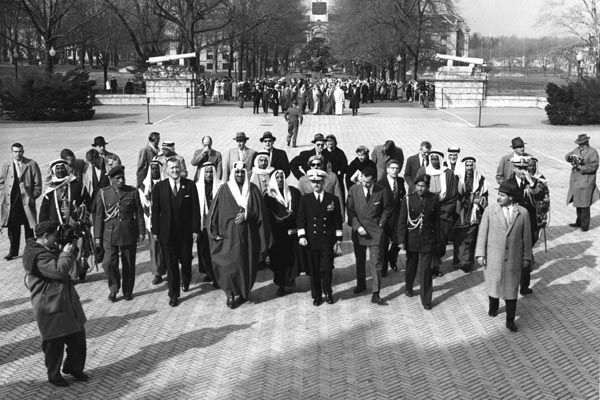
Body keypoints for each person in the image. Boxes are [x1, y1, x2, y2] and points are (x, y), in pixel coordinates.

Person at [23, 221, 88, 387]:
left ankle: (73, 368)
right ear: (45, 237)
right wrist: (66, 254)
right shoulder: (37, 255)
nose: (56, 238)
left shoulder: (50, 249)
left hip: (67, 302)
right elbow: (58, 272)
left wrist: (72, 250)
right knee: (54, 343)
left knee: (78, 338)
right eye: (54, 235)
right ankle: (53, 374)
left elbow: (73, 271)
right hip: (50, 305)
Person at [209, 161, 273, 308]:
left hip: (248, 238)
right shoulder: (224, 189)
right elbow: (214, 212)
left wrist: (247, 215)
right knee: (228, 266)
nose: (239, 175)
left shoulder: (253, 189)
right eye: (237, 172)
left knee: (245, 266)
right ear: (233, 173)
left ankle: (243, 293)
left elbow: (260, 212)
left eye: (242, 172)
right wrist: (214, 231)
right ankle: (230, 293)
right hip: (228, 238)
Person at [476, 181, 533, 332]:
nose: (499, 198)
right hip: (494, 257)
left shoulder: (523, 213)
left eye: (502, 195)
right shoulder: (490, 210)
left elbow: (527, 238)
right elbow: (482, 233)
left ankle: (510, 320)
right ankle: (493, 306)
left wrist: (527, 257)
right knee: (493, 285)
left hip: (513, 260)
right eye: (499, 194)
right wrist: (480, 253)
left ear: (511, 197)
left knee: (511, 289)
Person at [152, 158, 200, 307]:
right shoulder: (159, 187)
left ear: (181, 168)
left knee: (186, 260)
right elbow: (155, 211)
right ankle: (173, 294)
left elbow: (195, 210)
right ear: (166, 170)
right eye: (172, 168)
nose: (175, 170)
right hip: (167, 234)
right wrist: (155, 231)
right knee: (171, 265)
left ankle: (186, 280)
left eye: (177, 168)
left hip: (185, 234)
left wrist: (195, 230)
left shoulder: (190, 185)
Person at [94, 166, 145, 302]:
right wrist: (97, 237)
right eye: (117, 178)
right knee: (109, 263)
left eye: (122, 177)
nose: (121, 180)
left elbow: (139, 213)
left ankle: (128, 290)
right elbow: (98, 216)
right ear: (111, 180)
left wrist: (141, 231)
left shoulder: (132, 192)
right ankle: (114, 288)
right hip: (109, 234)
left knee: (128, 263)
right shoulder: (103, 193)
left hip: (128, 231)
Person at [39, 159, 92, 281]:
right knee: (61, 251)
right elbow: (44, 210)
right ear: (53, 171)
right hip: (57, 227)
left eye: (62, 168)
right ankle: (69, 274)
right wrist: (42, 227)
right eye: (57, 169)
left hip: (74, 225)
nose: (60, 170)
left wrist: (82, 213)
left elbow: (88, 202)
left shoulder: (76, 185)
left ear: (67, 169)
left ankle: (79, 270)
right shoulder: (50, 190)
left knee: (77, 249)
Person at [297, 169, 343, 306]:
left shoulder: (332, 199)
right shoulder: (305, 200)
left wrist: (338, 240)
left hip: (327, 241)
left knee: (326, 268)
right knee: (314, 270)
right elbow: (301, 220)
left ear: (323, 182)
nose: (316, 184)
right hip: (311, 241)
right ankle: (316, 295)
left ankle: (328, 292)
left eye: (319, 182)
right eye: (313, 182)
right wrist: (302, 236)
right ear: (310, 183)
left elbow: (337, 221)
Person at [347, 167, 393, 305]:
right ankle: (361, 284)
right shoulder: (353, 190)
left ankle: (376, 292)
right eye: (363, 181)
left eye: (368, 182)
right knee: (360, 260)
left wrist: (381, 223)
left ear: (373, 180)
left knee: (376, 263)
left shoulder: (382, 190)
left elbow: (388, 207)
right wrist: (357, 226)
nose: (365, 184)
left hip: (375, 232)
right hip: (359, 231)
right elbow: (350, 210)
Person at [397, 174, 440, 310]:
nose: (421, 188)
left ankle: (426, 299)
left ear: (428, 187)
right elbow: (402, 221)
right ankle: (409, 287)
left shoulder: (433, 199)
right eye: (419, 186)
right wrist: (401, 240)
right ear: (415, 186)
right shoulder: (408, 199)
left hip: (428, 239)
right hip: (412, 238)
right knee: (411, 265)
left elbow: (437, 221)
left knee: (426, 270)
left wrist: (438, 240)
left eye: (424, 186)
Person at [507, 157, 546, 296]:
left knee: (527, 254)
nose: (522, 171)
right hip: (514, 225)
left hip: (530, 224)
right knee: (514, 255)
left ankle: (524, 285)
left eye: (525, 168)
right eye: (519, 168)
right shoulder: (509, 184)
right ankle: (512, 283)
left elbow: (541, 196)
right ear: (514, 168)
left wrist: (531, 182)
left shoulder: (533, 182)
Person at [416, 151, 458, 277]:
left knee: (440, 241)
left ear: (440, 160)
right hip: (427, 211)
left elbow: (453, 194)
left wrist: (444, 208)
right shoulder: (423, 171)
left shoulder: (448, 173)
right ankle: (429, 266)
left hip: (443, 211)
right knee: (428, 240)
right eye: (432, 159)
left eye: (436, 159)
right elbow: (417, 191)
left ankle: (436, 265)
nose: (434, 162)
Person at [0, 143, 42, 260]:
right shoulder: (7, 165)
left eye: (20, 151)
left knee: (29, 227)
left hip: (26, 200)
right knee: (13, 227)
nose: (18, 154)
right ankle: (13, 252)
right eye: (15, 152)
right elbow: (2, 181)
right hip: (12, 201)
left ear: (23, 152)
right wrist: (2, 196)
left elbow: (37, 183)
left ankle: (30, 251)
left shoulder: (31, 164)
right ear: (12, 152)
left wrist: (33, 196)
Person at [264, 170, 301, 296]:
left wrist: (297, 228)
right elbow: (267, 216)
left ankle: (290, 280)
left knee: (292, 258)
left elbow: (300, 210)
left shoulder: (293, 192)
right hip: (277, 234)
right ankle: (281, 285)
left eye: (282, 177)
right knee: (279, 260)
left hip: (292, 233)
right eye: (277, 177)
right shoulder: (269, 196)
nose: (280, 179)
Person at [453, 156, 488, 273]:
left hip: (473, 212)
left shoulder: (480, 179)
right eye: (467, 165)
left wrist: (480, 199)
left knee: (471, 237)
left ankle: (467, 262)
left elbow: (485, 195)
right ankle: (458, 260)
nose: (469, 168)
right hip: (460, 211)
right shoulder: (458, 179)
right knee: (460, 237)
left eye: (471, 165)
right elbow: (454, 195)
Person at [377, 159, 406, 277]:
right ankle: (383, 267)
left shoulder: (400, 181)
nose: (395, 170)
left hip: (398, 217)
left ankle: (392, 259)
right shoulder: (380, 183)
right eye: (393, 168)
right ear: (387, 169)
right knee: (383, 244)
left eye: (397, 168)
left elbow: (402, 196)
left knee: (398, 241)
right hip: (385, 218)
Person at [139, 159, 166, 285]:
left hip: (166, 221)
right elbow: (144, 205)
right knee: (155, 248)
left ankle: (170, 271)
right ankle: (157, 273)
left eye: (157, 168)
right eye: (153, 169)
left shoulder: (167, 184)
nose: (155, 171)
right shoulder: (144, 186)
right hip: (152, 221)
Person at [195, 162, 222, 287]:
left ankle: (217, 276)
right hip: (203, 224)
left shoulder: (220, 186)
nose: (209, 174)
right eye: (206, 172)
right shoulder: (197, 187)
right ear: (202, 173)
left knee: (216, 251)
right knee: (204, 251)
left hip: (216, 225)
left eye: (211, 172)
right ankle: (209, 272)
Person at [566, 133, 599, 232]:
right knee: (578, 201)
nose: (580, 146)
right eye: (579, 144)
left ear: (586, 143)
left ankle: (585, 225)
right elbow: (568, 156)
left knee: (584, 203)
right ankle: (578, 221)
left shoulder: (592, 152)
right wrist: (570, 157)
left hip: (586, 181)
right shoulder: (576, 150)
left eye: (582, 144)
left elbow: (594, 167)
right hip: (576, 181)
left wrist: (580, 166)